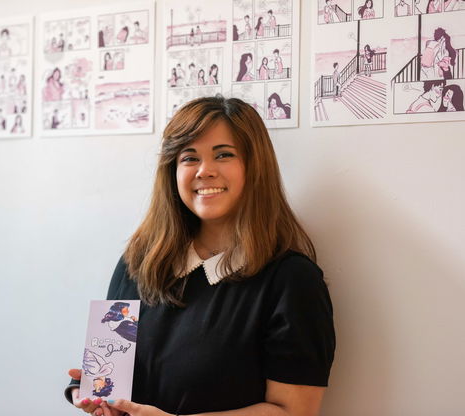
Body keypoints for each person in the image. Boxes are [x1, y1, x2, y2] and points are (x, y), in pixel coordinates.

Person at [64, 95, 335, 416]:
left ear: (254, 166)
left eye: (223, 155)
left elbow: (293, 412)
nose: (205, 171)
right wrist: (96, 393)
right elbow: (109, 375)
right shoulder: (137, 262)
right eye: (189, 157)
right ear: (172, 171)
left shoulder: (293, 281)